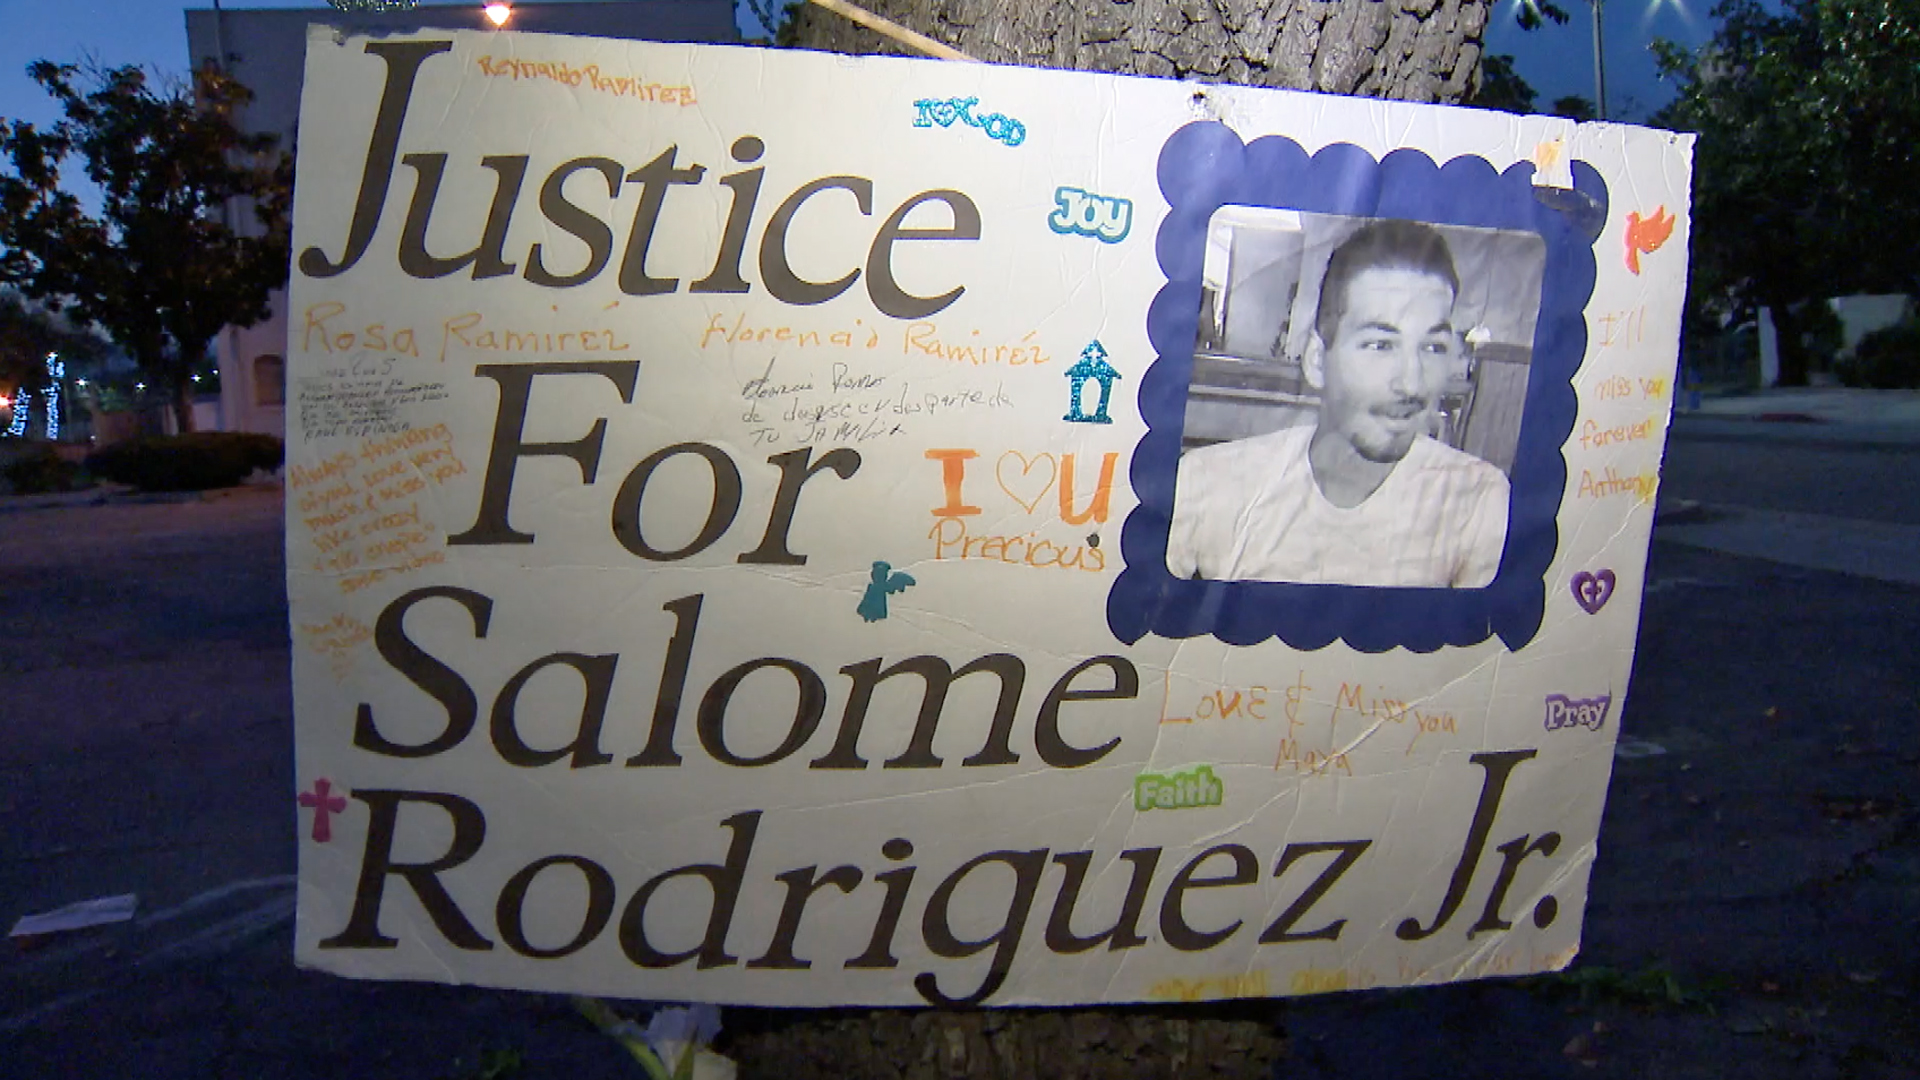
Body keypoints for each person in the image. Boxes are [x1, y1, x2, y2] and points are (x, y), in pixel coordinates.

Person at [1166, 219, 1509, 588]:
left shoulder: (1478, 500)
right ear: (1317, 360)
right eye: (1380, 345)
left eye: (1432, 347)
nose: (1411, 382)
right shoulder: (1207, 483)